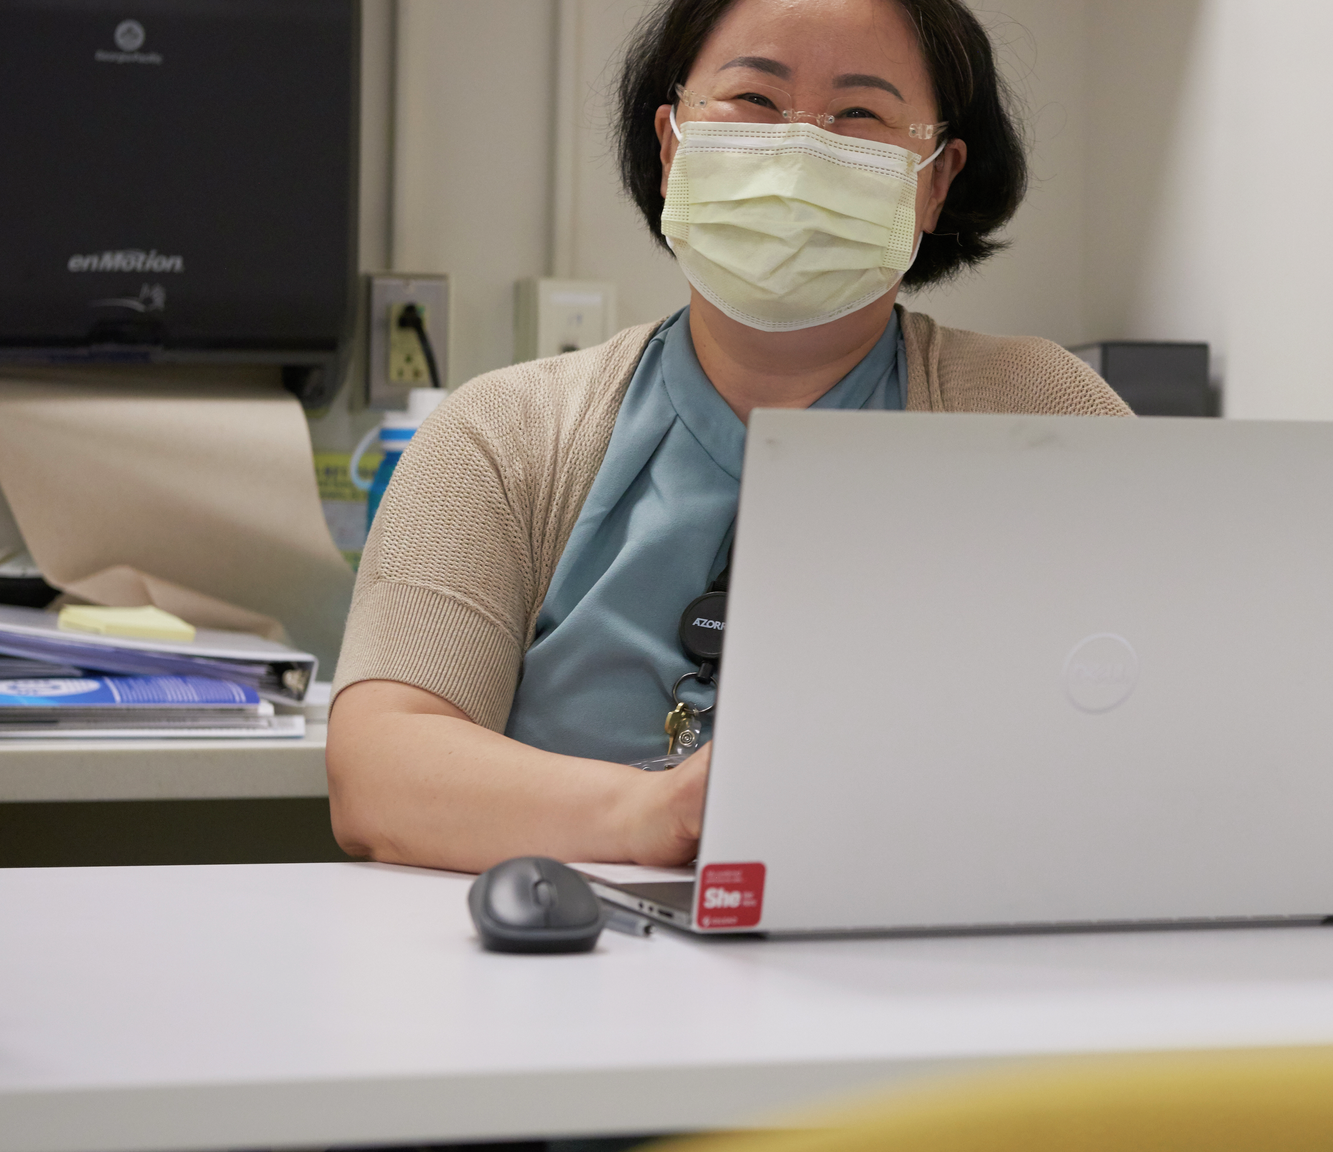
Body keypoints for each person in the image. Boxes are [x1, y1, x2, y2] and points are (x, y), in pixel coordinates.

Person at [325, 0, 1130, 873]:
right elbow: (380, 769)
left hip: (912, 974)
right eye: (753, 99)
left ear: (936, 180)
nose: (800, 150)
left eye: (860, 113)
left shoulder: (1043, 417)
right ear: (672, 147)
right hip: (569, 981)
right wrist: (655, 815)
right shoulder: (502, 436)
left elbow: (1162, 731)